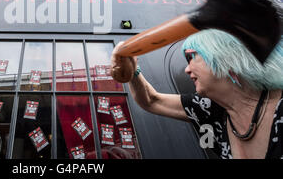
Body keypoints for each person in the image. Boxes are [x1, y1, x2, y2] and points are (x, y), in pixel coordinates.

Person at [111, 29, 283, 159]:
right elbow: (152, 100)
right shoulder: (211, 109)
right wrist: (133, 71)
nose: (186, 69)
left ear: (225, 57)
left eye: (191, 57)